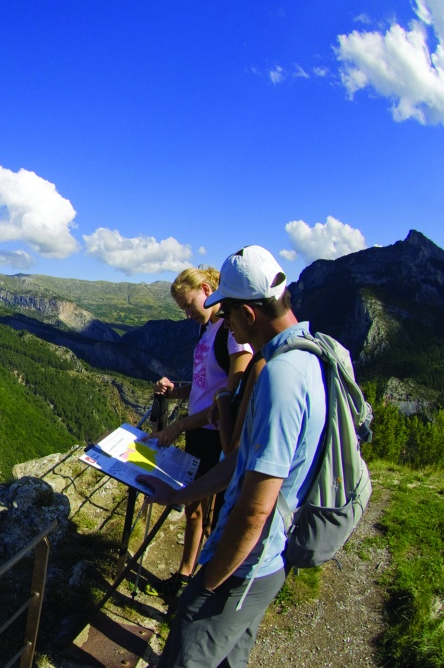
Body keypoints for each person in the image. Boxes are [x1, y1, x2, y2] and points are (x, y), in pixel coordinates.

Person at [141, 245, 327, 668]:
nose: (222, 321)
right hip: (263, 561)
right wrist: (178, 497)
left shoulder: (279, 377)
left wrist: (210, 581)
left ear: (249, 313)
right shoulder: (308, 356)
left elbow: (254, 508)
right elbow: (240, 464)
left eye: (226, 312)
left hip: (246, 564)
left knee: (184, 655)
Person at [146, 266, 252, 595]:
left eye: (189, 305)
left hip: (216, 437)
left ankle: (205, 584)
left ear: (206, 289)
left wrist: (179, 425)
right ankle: (185, 574)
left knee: (213, 513)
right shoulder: (208, 330)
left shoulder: (232, 333)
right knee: (194, 509)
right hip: (199, 431)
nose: (188, 313)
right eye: (183, 309)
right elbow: (206, 386)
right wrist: (176, 390)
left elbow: (230, 400)